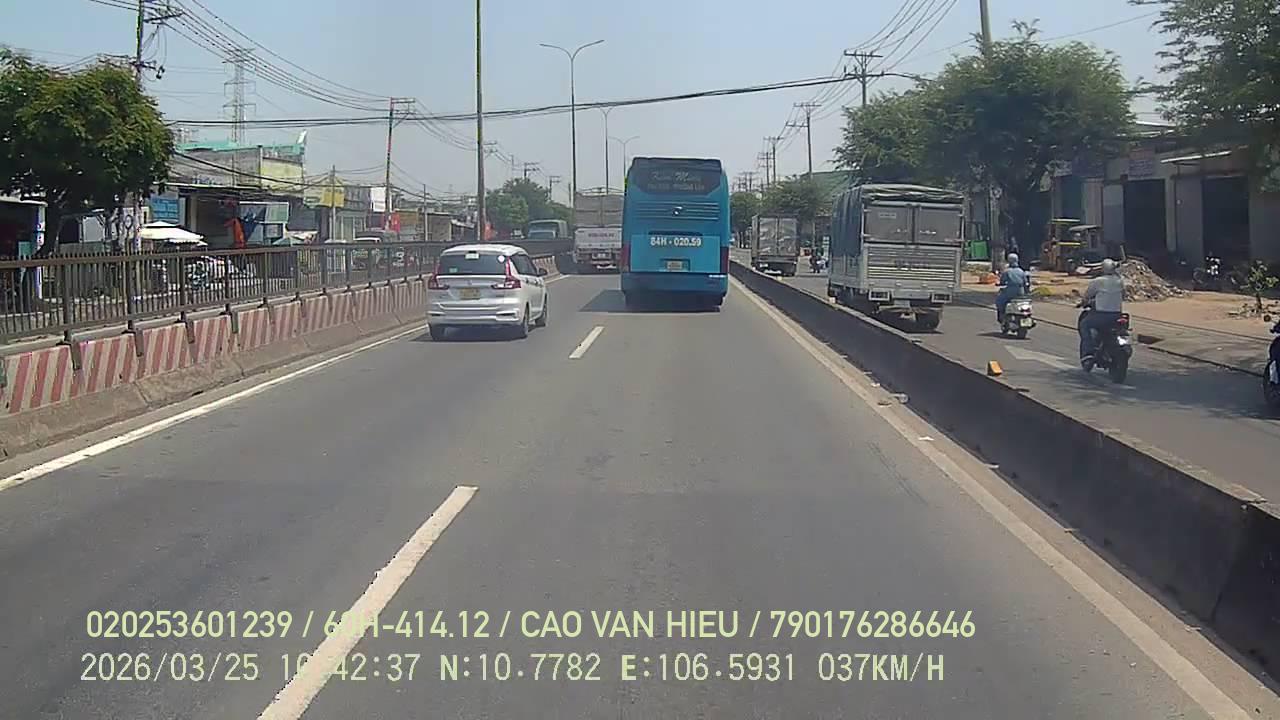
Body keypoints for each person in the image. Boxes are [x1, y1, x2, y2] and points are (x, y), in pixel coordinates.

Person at [1078, 258, 1125, 365]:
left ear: (1103, 269)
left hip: (1101, 315)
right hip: (1117, 315)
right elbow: (1123, 295)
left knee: (1084, 325)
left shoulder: (1097, 281)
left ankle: (1088, 352)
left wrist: (1083, 302)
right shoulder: (1120, 281)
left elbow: (1087, 296)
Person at [995, 253, 1030, 323]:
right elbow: (1025, 282)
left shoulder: (1007, 271)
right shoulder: (1021, 271)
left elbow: (1002, 281)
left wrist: (999, 283)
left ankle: (1002, 316)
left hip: (1010, 292)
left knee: (999, 301)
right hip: (1020, 292)